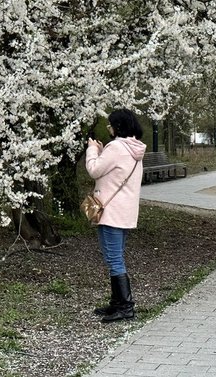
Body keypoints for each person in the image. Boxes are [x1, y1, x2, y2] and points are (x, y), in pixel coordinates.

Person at [85, 108, 147, 323]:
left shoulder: (116, 147)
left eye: (110, 124)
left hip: (110, 212)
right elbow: (114, 172)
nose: (108, 128)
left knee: (114, 258)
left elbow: (94, 170)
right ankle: (117, 303)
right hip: (124, 212)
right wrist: (104, 154)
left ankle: (125, 307)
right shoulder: (134, 148)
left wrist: (93, 150)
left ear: (118, 126)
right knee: (115, 256)